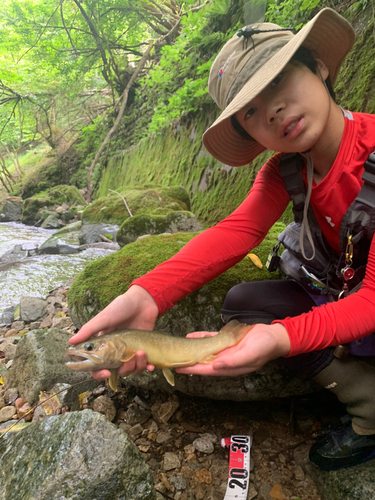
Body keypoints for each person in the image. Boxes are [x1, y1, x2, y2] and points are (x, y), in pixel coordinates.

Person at [70, 8, 375, 471]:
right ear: (247, 131)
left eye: (278, 81)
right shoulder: (285, 167)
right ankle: (361, 384)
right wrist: (147, 293)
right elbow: (237, 231)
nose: (271, 109)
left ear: (318, 67)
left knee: (273, 330)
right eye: (251, 109)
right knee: (244, 307)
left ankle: (369, 414)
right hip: (346, 286)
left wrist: (279, 340)